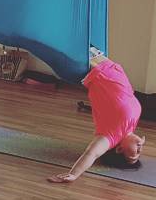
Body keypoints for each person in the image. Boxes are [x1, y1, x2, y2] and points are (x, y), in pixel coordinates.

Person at [48, 48, 144, 184]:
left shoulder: (112, 135)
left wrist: (74, 174)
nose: (140, 149)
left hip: (88, 67)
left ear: (119, 149)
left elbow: (92, 153)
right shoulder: (130, 125)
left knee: (50, 41)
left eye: (134, 154)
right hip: (102, 61)